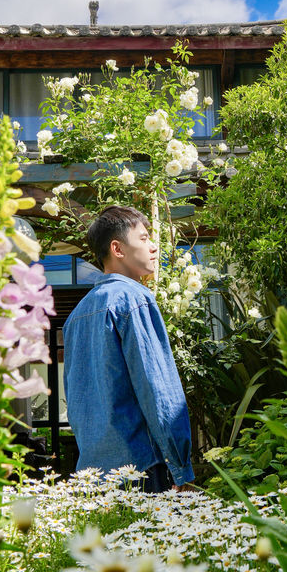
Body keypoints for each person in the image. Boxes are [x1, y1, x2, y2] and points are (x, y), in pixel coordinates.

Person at [63, 205, 195, 493]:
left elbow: (75, 402)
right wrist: (181, 467)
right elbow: (158, 390)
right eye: (144, 238)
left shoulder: (76, 316)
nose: (154, 247)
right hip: (142, 467)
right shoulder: (134, 299)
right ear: (117, 248)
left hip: (93, 477)